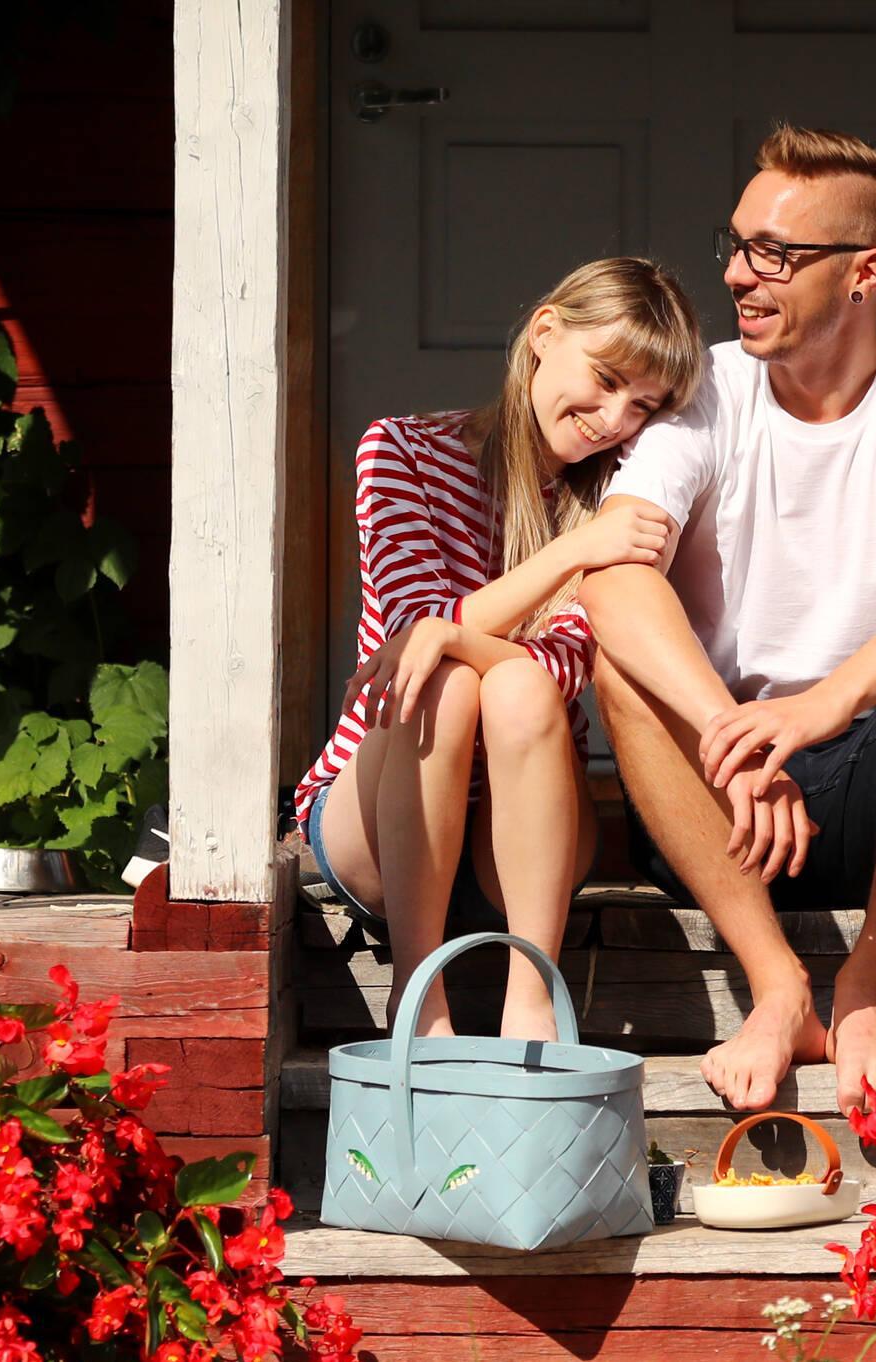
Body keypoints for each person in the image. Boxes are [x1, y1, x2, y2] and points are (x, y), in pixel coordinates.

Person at [581, 126, 876, 1111]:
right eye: (735, 245)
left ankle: (868, 980)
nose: (737, 274)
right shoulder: (705, 393)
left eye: (772, 253)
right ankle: (776, 982)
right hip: (722, 807)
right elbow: (610, 573)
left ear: (864, 272)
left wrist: (822, 706)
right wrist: (729, 738)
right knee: (624, 666)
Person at [294, 257, 706, 1043]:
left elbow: (562, 669)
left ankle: (531, 1003)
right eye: (607, 376)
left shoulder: (620, 500)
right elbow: (413, 639)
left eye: (644, 405)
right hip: (378, 823)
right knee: (444, 685)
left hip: (519, 845)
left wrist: (456, 631)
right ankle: (419, 998)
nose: (615, 417)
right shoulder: (399, 452)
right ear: (545, 333)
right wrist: (569, 553)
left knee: (516, 690)